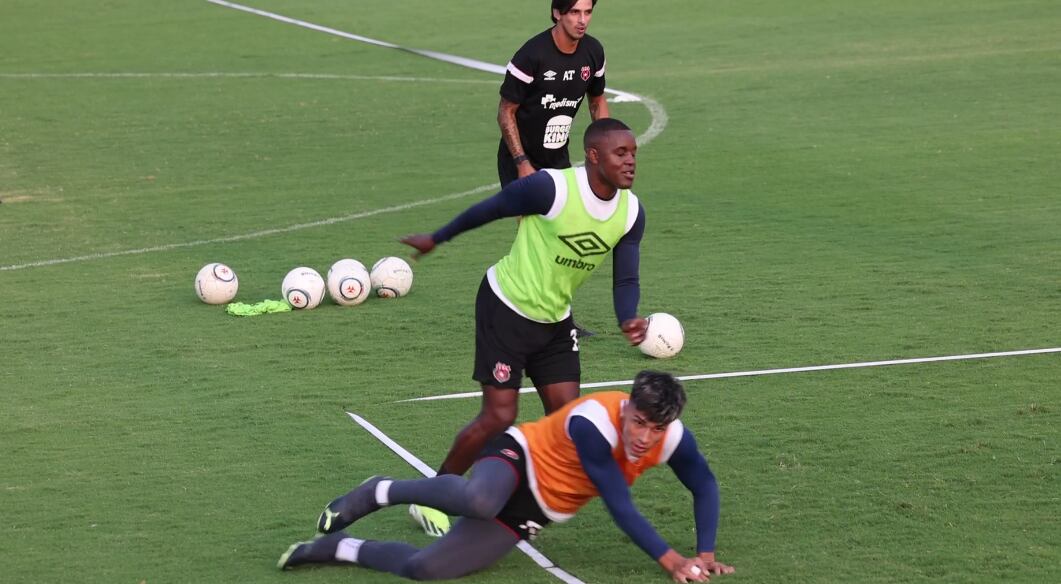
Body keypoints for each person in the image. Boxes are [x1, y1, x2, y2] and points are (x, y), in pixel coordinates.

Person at [398, 117, 649, 536]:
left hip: (554, 321)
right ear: (593, 156)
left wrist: (628, 317)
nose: (630, 162)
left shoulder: (630, 213)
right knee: (499, 414)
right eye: (620, 153)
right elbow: (489, 210)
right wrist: (437, 237)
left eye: (633, 154)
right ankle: (434, 496)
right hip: (505, 308)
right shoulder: (551, 188)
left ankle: (510, 500)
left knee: (568, 421)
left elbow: (626, 278)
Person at [279, 371, 736, 583]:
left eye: (656, 429)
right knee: (480, 499)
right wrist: (672, 560)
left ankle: (339, 548)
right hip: (520, 457)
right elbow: (619, 503)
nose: (644, 437)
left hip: (536, 509)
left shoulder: (673, 439)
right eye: (638, 422)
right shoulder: (593, 423)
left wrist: (706, 551)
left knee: (426, 569)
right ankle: (380, 490)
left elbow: (704, 484)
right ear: (626, 408)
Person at [499, 0, 611, 338]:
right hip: (520, 161)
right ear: (557, 13)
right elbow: (506, 112)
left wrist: (605, 154)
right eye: (574, 12)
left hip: (558, 161)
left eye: (587, 12)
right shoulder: (531, 55)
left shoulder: (593, 53)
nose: (582, 20)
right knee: (534, 240)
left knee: (563, 240)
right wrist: (521, 163)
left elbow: (597, 100)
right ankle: (516, 315)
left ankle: (558, 320)